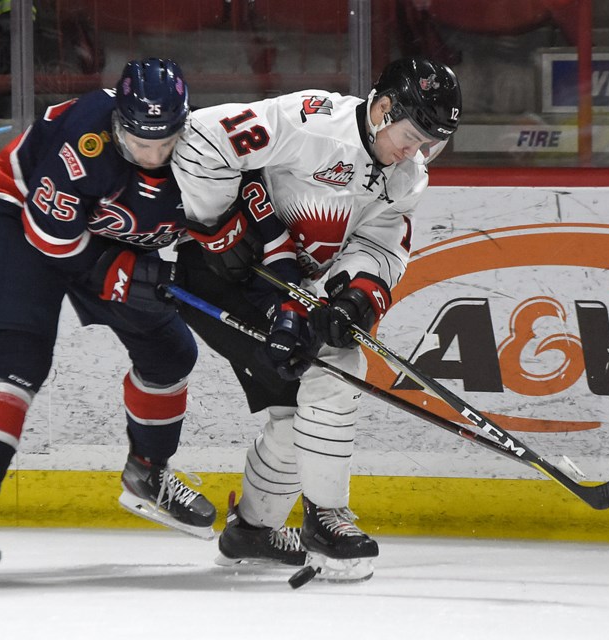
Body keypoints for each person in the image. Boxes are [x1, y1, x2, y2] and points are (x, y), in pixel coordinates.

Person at [171, 56, 462, 581]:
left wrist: (352, 295)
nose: (415, 153)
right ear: (383, 107)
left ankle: (251, 532)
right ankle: (326, 518)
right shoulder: (311, 121)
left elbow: (380, 244)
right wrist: (219, 225)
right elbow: (202, 136)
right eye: (412, 136)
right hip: (225, 276)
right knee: (336, 367)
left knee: (297, 411)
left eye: (429, 144)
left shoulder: (405, 173)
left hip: (287, 290)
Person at [0, 58, 216, 586]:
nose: (154, 154)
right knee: (19, 363)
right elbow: (51, 239)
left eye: (166, 141)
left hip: (102, 232)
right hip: (20, 222)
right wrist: (120, 269)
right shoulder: (84, 140)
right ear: (117, 122)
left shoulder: (206, 149)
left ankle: (148, 473)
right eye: (140, 141)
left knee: (171, 353)